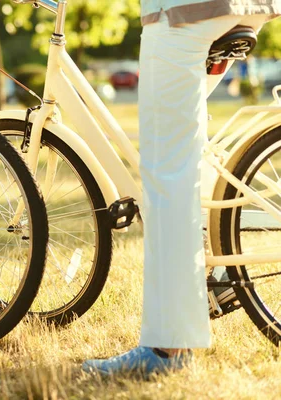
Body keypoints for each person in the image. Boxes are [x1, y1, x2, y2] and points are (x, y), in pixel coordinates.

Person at [82, 0, 279, 376]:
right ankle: (206, 269)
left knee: (167, 168)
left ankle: (167, 349)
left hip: (186, 12)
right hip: (247, 6)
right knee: (185, 140)